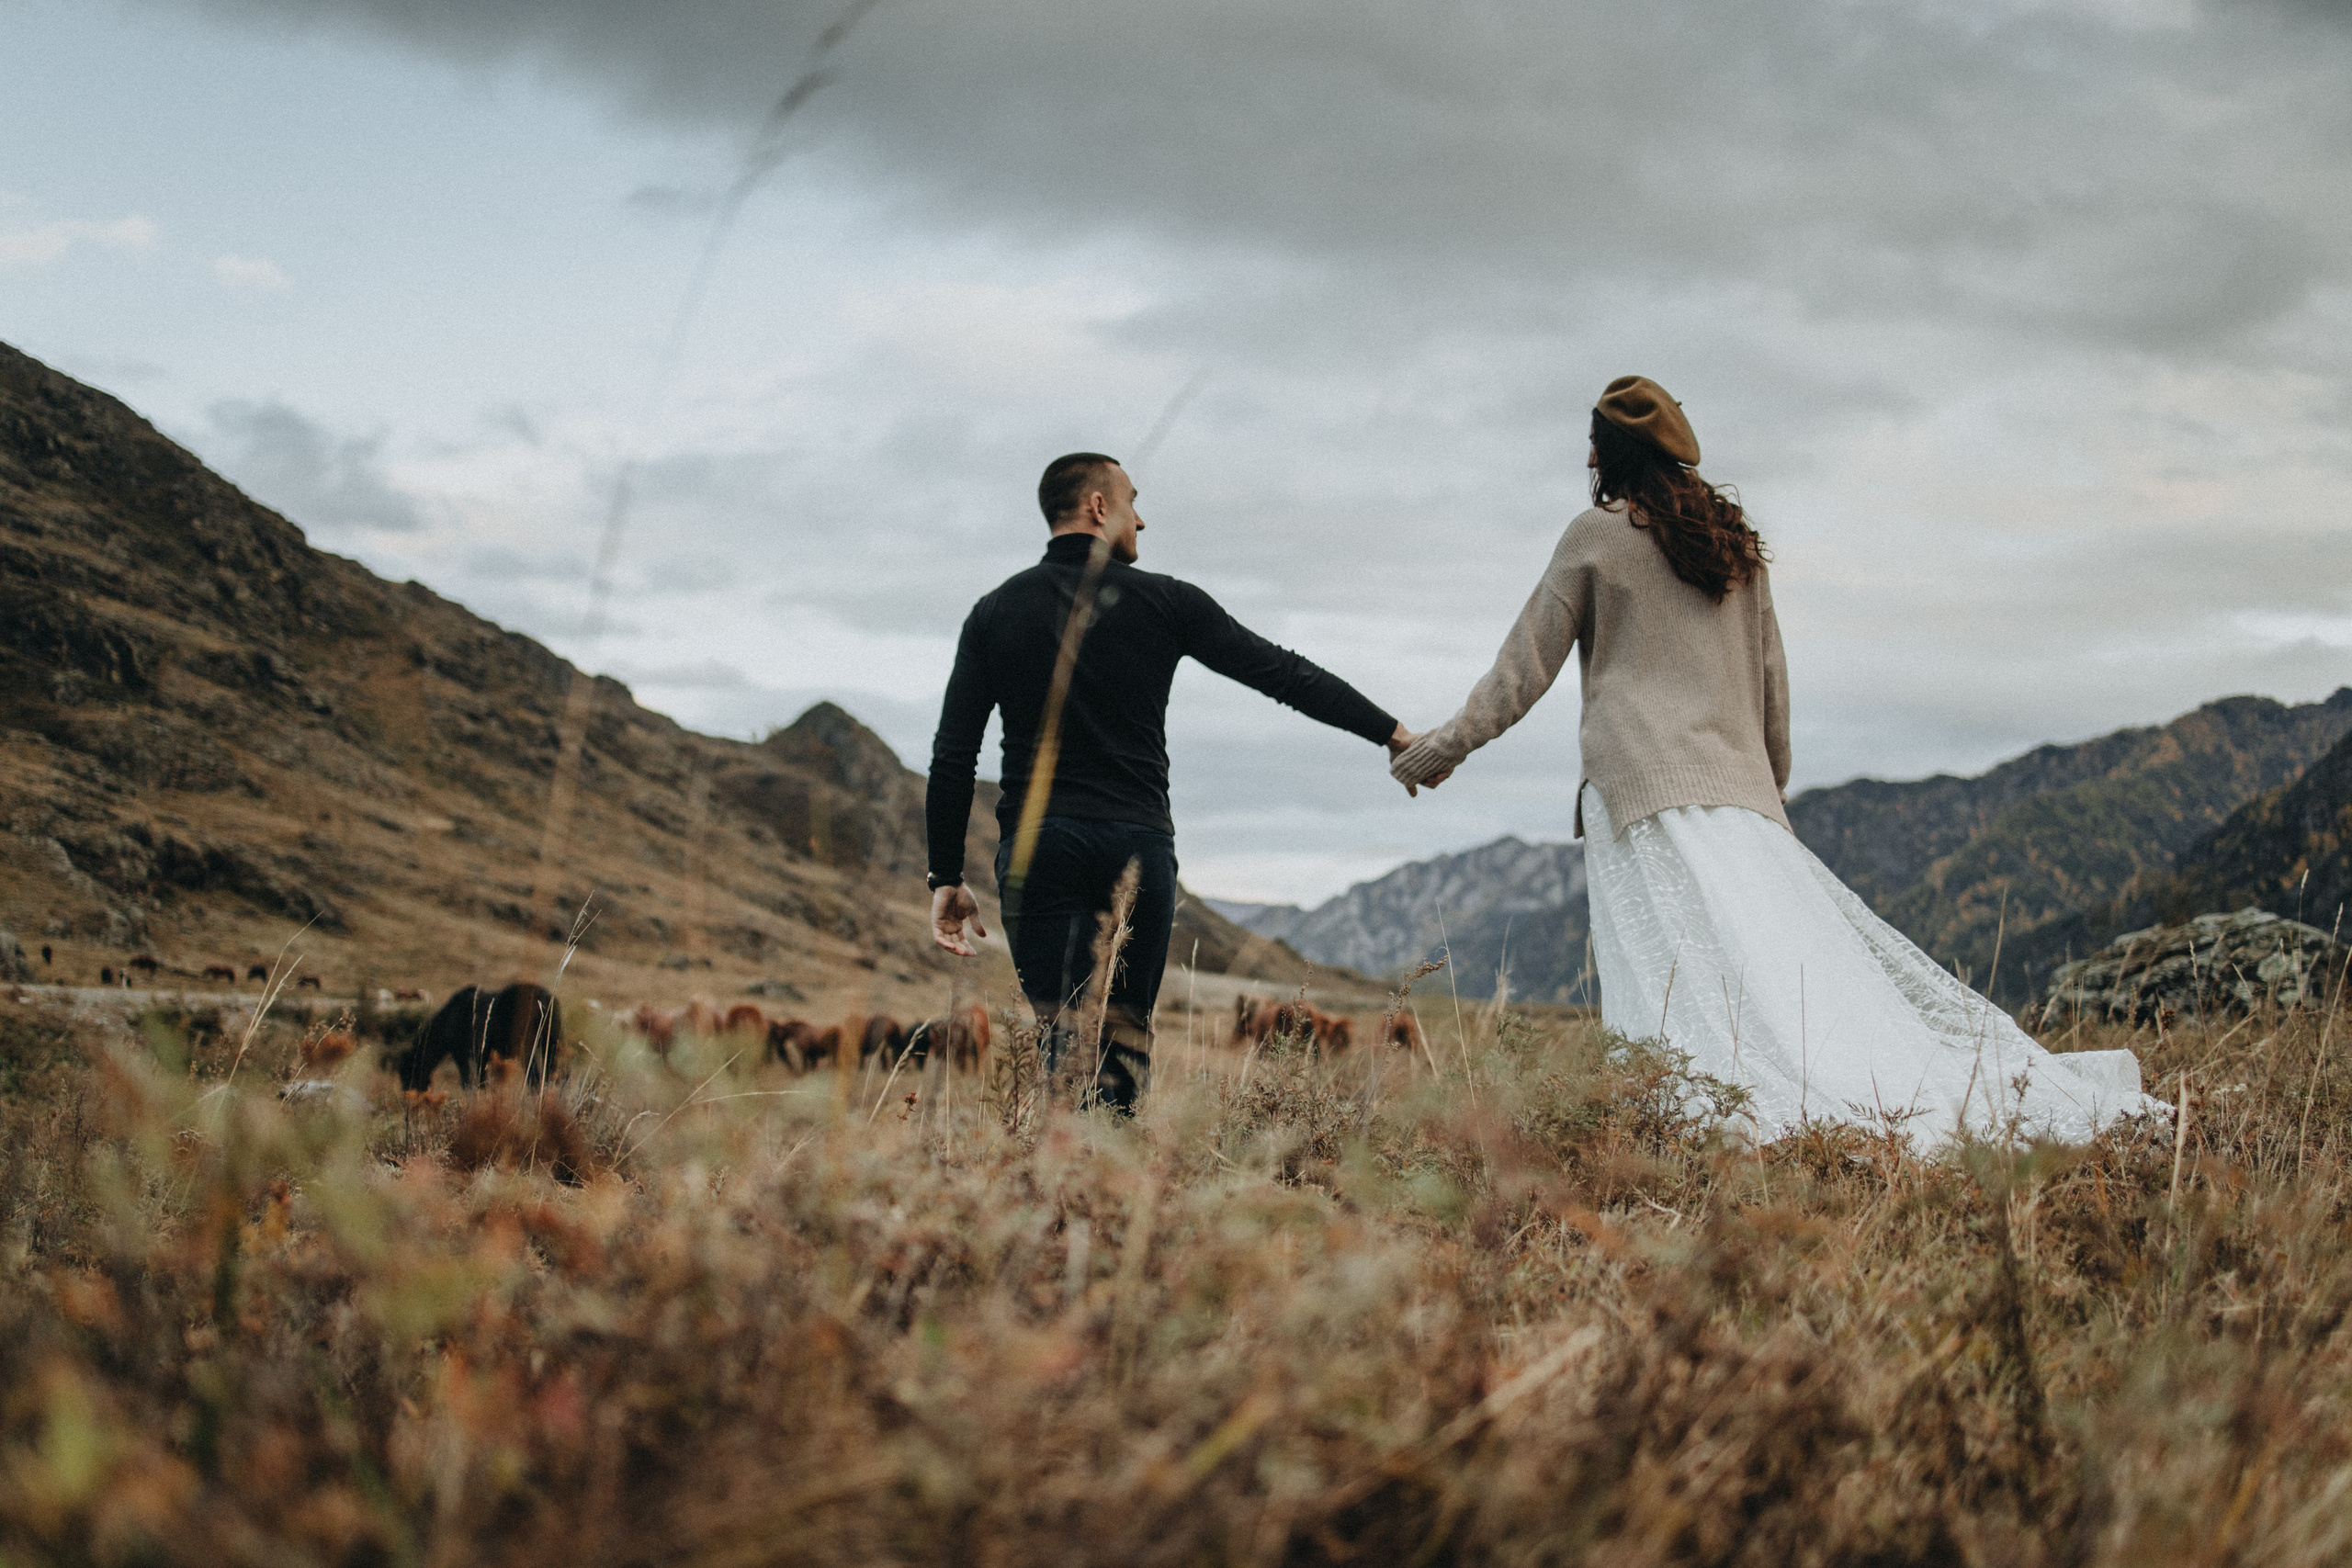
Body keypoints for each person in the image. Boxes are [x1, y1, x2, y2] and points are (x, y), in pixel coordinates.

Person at [1388, 377, 2157, 1145]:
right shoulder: (1734, 549)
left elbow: (1524, 667)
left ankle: (1686, 1118)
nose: (1586, 452)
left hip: (1641, 792)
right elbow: (1771, 690)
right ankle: (1750, 1113)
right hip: (1744, 795)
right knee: (1783, 989)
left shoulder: (1596, 535)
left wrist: (1439, 749)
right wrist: (1768, 793)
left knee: (1672, 981)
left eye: (1593, 438)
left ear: (1612, 452)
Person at [926, 453, 1412, 1111]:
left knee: (1061, 1048)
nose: (1142, 519)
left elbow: (954, 754)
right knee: (1123, 1052)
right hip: (1137, 846)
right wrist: (1391, 733)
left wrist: (946, 876)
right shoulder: (1167, 601)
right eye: (1133, 501)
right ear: (1099, 506)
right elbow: (1283, 674)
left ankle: (1063, 1194)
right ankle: (1116, 1190)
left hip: (1042, 847)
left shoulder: (994, 612)